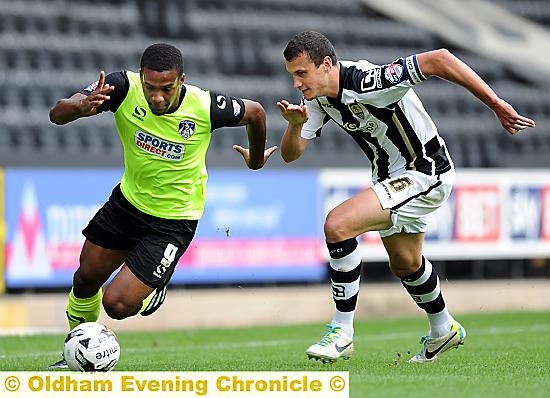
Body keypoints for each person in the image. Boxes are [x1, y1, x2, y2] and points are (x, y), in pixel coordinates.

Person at [277, 31, 535, 363]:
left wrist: (495, 104)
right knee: (406, 263)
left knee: (337, 225)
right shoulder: (317, 97)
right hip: (390, 178)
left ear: (327, 65)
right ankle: (444, 329)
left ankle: (342, 332)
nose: (296, 83)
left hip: (425, 171)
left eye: (301, 73)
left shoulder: (369, 81)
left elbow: (440, 58)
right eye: (292, 76)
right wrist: (294, 126)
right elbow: (291, 154)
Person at [48, 43, 277, 368]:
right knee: (85, 278)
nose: (157, 96)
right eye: (151, 87)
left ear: (181, 80)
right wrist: (79, 107)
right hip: (127, 204)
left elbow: (255, 112)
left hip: (173, 220)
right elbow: (57, 113)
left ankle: (153, 285)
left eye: (167, 89)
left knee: (117, 305)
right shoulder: (121, 88)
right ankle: (76, 356)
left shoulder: (205, 105)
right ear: (141, 78)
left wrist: (255, 161)